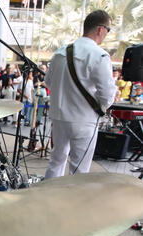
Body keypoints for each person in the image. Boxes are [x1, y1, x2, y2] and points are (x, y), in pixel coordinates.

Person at [44, 10, 117, 180]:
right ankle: (72, 204)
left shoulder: (61, 52)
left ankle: (48, 199)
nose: (107, 34)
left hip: (59, 117)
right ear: (100, 29)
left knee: (56, 161)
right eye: (108, 30)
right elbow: (106, 96)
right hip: (84, 119)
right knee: (79, 169)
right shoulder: (99, 55)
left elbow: (49, 82)